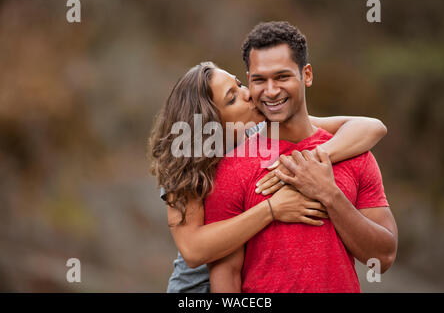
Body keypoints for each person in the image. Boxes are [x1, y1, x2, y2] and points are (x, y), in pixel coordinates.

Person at [148, 63, 388, 292]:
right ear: (212, 122)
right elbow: (193, 250)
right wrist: (272, 209)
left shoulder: (259, 128)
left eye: (240, 84)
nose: (248, 94)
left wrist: (309, 161)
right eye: (232, 98)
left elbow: (370, 127)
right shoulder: (188, 164)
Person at [205, 21, 398, 293]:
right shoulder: (231, 168)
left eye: (282, 77)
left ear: (306, 75)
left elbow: (383, 258)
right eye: (259, 80)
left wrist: (329, 194)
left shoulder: (353, 154)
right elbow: (226, 276)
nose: (270, 91)